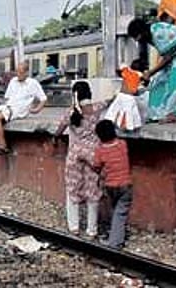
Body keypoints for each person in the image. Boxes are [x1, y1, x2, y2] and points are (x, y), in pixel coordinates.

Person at [53, 81, 107, 238]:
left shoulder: (71, 113)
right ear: (89, 93)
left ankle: (74, 228)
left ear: (74, 95)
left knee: (72, 190)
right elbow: (111, 100)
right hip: (92, 156)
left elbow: (59, 129)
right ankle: (92, 230)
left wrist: (55, 138)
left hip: (74, 156)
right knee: (92, 191)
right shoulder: (97, 108)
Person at [127, 18, 176, 123]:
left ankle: (173, 113)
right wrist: (152, 74)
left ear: (141, 32)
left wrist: (150, 72)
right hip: (175, 52)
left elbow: (168, 57)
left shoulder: (157, 32)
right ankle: (155, 114)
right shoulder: (150, 37)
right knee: (157, 80)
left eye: (136, 37)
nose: (137, 40)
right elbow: (167, 56)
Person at [0, 62, 47, 155]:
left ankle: (3, 146)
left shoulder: (33, 83)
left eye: (21, 73)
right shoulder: (13, 81)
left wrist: (36, 110)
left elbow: (43, 99)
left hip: (20, 108)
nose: (18, 75)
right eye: (17, 72)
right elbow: (7, 97)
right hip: (9, 106)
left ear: (26, 73)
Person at [93, 120, 132, 249]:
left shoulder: (100, 150)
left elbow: (96, 166)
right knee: (120, 213)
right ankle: (116, 241)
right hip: (125, 185)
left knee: (116, 211)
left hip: (110, 185)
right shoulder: (122, 144)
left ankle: (116, 237)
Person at [104, 60, 144, 131]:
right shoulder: (139, 75)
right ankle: (131, 126)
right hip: (129, 96)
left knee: (114, 109)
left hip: (121, 94)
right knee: (130, 112)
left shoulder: (126, 71)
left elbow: (121, 68)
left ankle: (112, 122)